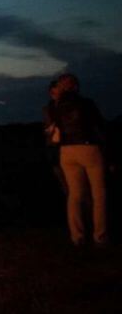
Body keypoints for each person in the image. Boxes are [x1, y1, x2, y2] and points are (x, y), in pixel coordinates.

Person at [47, 74, 109, 247]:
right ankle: (100, 236)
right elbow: (100, 127)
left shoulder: (55, 108)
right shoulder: (87, 104)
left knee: (75, 195)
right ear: (75, 86)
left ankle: (77, 236)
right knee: (99, 194)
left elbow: (53, 133)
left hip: (66, 151)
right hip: (88, 148)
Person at [41, 80, 69, 196]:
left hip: (64, 147)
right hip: (56, 148)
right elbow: (48, 129)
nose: (53, 93)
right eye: (52, 91)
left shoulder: (61, 108)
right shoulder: (49, 109)